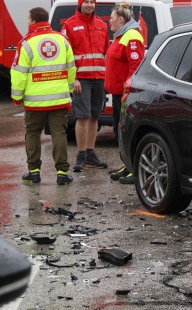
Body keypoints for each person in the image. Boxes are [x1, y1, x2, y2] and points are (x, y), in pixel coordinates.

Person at [11, 7, 76, 185]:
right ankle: (62, 172)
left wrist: (17, 96)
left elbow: (18, 73)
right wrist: (69, 89)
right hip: (59, 99)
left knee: (32, 133)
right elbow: (71, 67)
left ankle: (34, 172)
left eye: (28, 19)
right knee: (59, 134)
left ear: (32, 20)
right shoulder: (62, 40)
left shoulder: (26, 43)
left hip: (35, 102)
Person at [61, 0, 109, 172]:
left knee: (95, 116)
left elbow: (105, 52)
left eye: (92, 2)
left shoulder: (101, 25)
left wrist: (106, 77)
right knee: (82, 117)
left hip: (99, 78)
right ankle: (81, 154)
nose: (89, 5)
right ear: (80, 4)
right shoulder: (70, 25)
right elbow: (65, 56)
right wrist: (73, 79)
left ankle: (90, 153)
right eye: (86, 2)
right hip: (81, 79)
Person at [105, 2, 145, 185]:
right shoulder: (122, 35)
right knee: (120, 130)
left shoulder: (132, 35)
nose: (109, 22)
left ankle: (133, 169)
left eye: (112, 19)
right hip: (117, 93)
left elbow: (135, 66)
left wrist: (128, 91)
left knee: (127, 130)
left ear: (121, 19)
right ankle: (126, 164)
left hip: (125, 94)